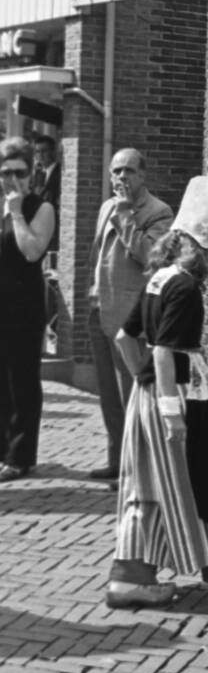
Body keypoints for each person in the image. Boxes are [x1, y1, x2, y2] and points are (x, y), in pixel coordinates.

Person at [106, 175, 208, 609]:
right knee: (193, 479)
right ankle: (141, 576)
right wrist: (169, 409)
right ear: (202, 250)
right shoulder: (184, 288)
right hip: (181, 395)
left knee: (174, 482)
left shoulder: (159, 278)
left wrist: (140, 383)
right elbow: (164, 350)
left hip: (154, 393)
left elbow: (126, 337)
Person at [88, 148, 173, 483]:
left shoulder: (158, 212)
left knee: (131, 395)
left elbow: (149, 256)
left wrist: (125, 212)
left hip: (130, 317)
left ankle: (137, 468)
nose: (121, 177)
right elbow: (98, 253)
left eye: (128, 171)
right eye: (116, 171)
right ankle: (116, 460)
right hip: (99, 310)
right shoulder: (107, 206)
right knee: (108, 395)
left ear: (143, 175)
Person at [0, 138, 56, 481]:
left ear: (31, 171)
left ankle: (21, 456)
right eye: (5, 173)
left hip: (24, 308)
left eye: (18, 172)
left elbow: (32, 251)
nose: (11, 180)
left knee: (21, 380)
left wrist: (18, 211)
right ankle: (3, 450)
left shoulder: (40, 208)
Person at [33, 134, 61, 251]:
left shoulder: (61, 173)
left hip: (54, 230)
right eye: (37, 151)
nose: (40, 155)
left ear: (53, 152)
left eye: (44, 151)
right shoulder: (37, 175)